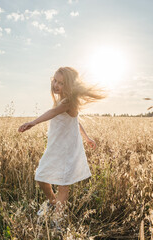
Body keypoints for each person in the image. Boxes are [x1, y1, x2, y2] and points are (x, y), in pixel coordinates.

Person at [18, 66, 106, 221]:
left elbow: (53, 113)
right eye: (55, 81)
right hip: (55, 147)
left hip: (67, 149)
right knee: (40, 177)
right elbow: (76, 122)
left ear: (70, 85)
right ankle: (52, 201)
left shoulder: (69, 102)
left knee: (63, 184)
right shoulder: (62, 101)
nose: (56, 85)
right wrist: (87, 137)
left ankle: (58, 220)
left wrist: (33, 122)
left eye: (62, 83)